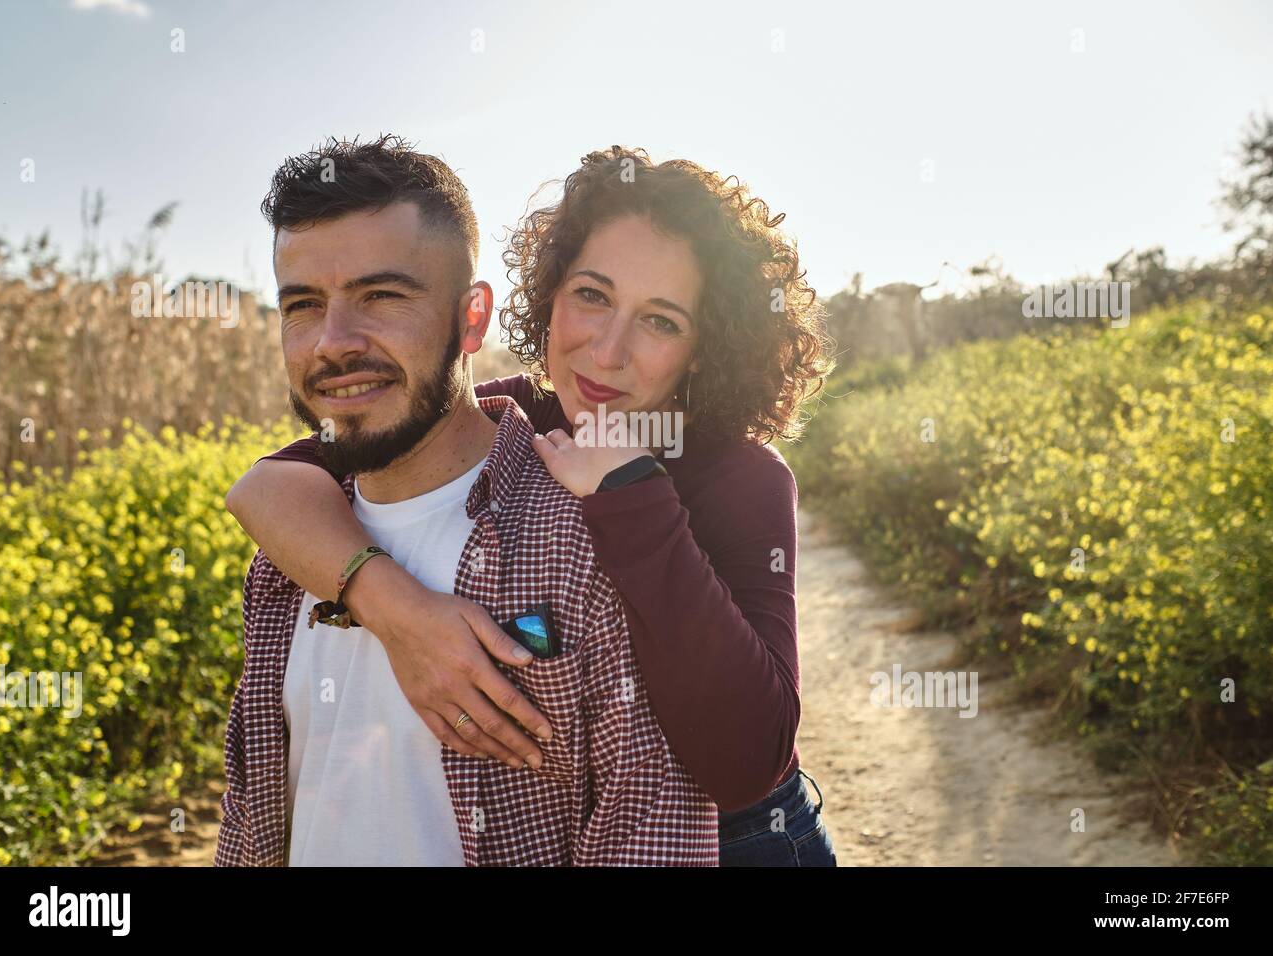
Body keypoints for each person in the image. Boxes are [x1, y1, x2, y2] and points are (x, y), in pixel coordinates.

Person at [227, 145, 838, 866]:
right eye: (592, 296)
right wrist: (398, 610)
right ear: (550, 296)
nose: (607, 351)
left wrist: (632, 495)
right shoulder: (518, 413)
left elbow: (745, 758)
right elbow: (265, 488)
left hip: (747, 836)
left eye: (662, 321)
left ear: (703, 350)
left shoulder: (736, 475)